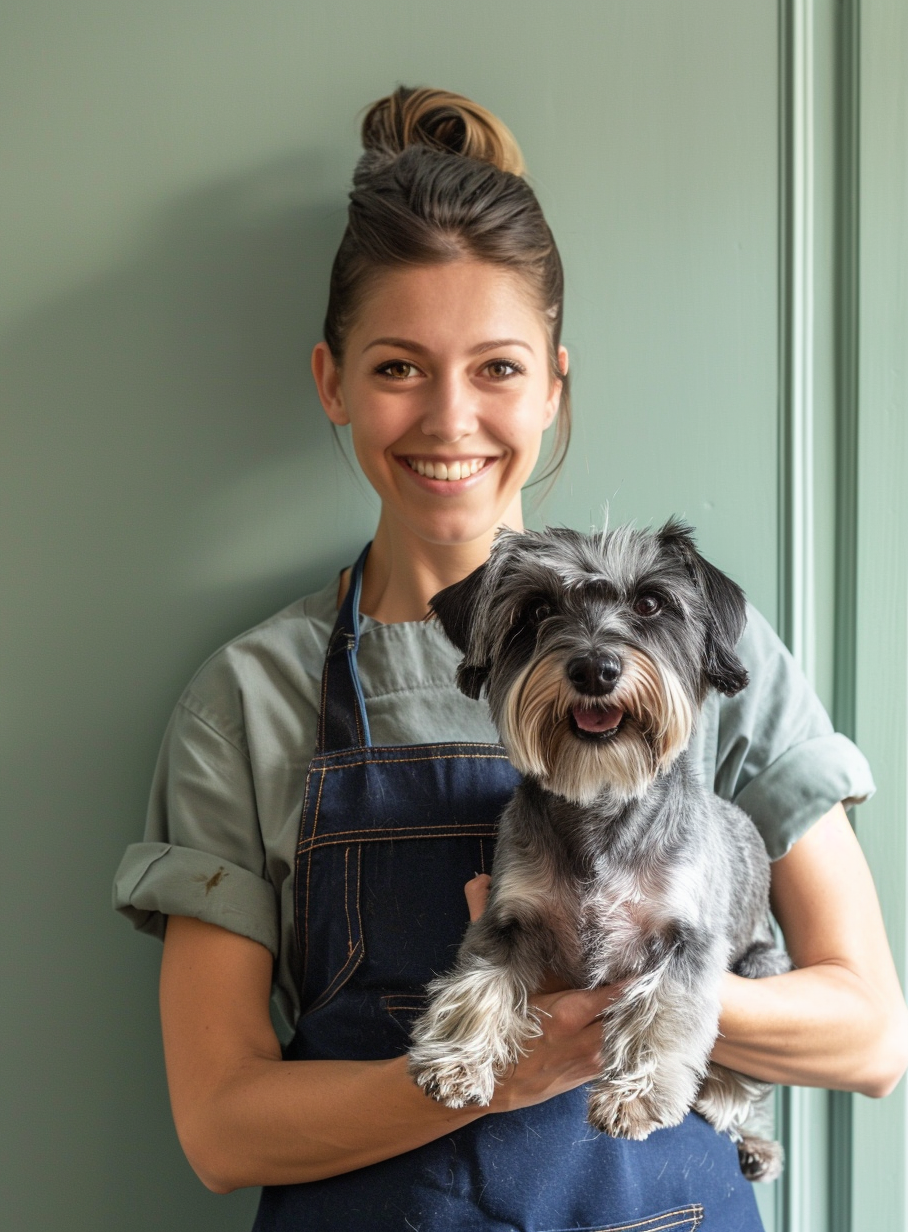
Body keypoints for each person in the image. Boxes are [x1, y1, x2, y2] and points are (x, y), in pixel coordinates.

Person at [113, 87, 908, 1231]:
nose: (449, 418)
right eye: (397, 368)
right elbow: (222, 1125)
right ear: (332, 381)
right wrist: (515, 1059)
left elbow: (869, 1033)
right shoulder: (250, 700)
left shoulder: (703, 654)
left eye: (495, 368)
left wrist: (626, 980)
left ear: (553, 382)